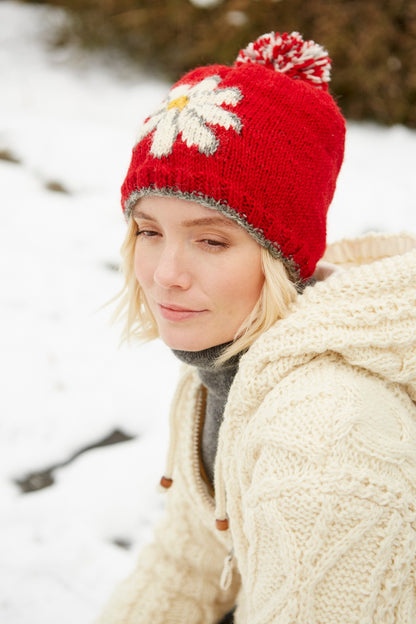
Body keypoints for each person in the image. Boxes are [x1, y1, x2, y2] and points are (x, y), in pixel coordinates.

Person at [95, 31, 416, 623]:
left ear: (282, 259)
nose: (166, 275)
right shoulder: (231, 358)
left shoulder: (324, 447)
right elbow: (188, 563)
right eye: (149, 230)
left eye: (211, 239)